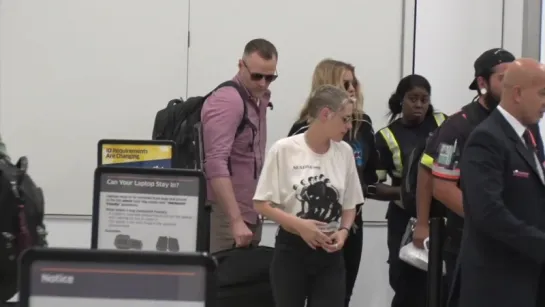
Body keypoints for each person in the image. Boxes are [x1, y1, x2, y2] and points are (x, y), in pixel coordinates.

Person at [412, 48, 545, 306]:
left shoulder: (529, 131)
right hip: (494, 270)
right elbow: (480, 208)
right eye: (542, 94)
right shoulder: (473, 130)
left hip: (527, 267)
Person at [254, 85, 365, 307]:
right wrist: (300, 226)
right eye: (344, 119)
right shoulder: (284, 149)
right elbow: (261, 204)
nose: (348, 126)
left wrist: (343, 232)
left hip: (330, 252)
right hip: (292, 249)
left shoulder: (344, 152)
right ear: (325, 114)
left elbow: (350, 204)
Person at [288, 59, 387, 307]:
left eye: (354, 82)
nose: (352, 88)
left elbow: (370, 176)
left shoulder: (363, 125)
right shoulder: (302, 130)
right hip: (309, 226)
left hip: (349, 227)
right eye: (345, 83)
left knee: (340, 296)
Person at [458, 58, 545, 307]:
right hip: (498, 283)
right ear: (517, 93)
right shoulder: (487, 138)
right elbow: (488, 213)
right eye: (542, 94)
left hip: (529, 277)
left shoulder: (529, 136)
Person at [375, 74, 447, 307]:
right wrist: (409, 192)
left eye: (424, 99)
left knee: (442, 282)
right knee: (405, 283)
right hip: (404, 218)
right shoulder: (386, 136)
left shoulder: (443, 123)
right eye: (412, 99)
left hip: (442, 215)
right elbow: (374, 186)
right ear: (400, 100)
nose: (418, 105)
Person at [202, 38, 278, 253]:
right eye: (257, 76)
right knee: (223, 281)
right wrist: (235, 220)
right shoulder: (228, 101)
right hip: (226, 215)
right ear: (240, 65)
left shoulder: (257, 99)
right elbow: (215, 163)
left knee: (244, 282)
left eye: (270, 77)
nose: (263, 83)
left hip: (251, 210)